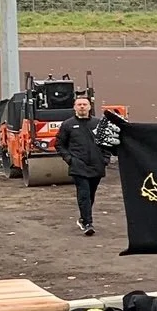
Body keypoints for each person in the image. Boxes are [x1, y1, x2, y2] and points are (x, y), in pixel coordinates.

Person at [55, 95, 106, 236]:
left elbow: (107, 144)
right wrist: (70, 159)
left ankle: (83, 218)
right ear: (74, 107)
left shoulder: (98, 123)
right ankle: (87, 223)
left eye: (84, 104)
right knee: (84, 194)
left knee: (91, 195)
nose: (82, 107)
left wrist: (104, 159)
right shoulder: (68, 125)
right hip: (78, 166)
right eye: (79, 104)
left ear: (90, 107)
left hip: (96, 165)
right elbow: (59, 144)